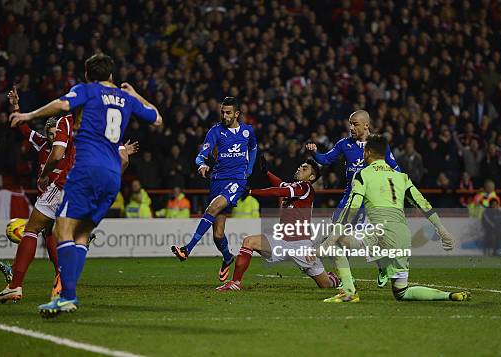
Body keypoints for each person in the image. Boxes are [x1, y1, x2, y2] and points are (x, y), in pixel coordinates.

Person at [10, 54, 162, 317]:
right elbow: (157, 119)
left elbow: (61, 104)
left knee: (62, 230)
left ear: (88, 75)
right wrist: (136, 94)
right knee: (81, 235)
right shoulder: (126, 99)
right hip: (113, 175)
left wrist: (28, 114)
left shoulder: (87, 90)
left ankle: (66, 296)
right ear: (112, 75)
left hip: (87, 170)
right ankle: (67, 296)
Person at [321, 135, 469, 303]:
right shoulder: (402, 177)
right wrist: (442, 229)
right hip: (402, 235)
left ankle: (348, 292)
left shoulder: (363, 175)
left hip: (380, 232)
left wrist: (332, 238)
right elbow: (422, 203)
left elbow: (352, 207)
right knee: (401, 291)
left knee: (337, 243)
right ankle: (448, 295)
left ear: (367, 152)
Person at [0, 86, 76, 303]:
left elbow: (56, 155)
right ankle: (61, 276)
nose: (51, 135)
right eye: (49, 132)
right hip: (75, 189)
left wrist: (45, 175)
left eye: (53, 133)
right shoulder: (43, 143)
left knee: (35, 230)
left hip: (58, 188)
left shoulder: (63, 137)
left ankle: (17, 284)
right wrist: (17, 107)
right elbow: (25, 129)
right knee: (52, 234)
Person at [305, 110, 400, 288]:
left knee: (368, 241)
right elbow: (326, 160)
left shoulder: (379, 145)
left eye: (355, 124)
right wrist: (315, 153)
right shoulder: (344, 144)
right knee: (337, 236)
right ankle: (347, 280)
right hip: (349, 198)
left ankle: (383, 265)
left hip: (370, 202)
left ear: (366, 125)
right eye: (350, 123)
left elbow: (397, 170)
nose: (351, 127)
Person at [217, 159, 340, 291]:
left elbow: (278, 191)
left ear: (312, 177)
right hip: (281, 241)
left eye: (304, 169)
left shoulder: (305, 187)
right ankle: (235, 283)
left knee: (325, 285)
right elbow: (280, 185)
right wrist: (267, 173)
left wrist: (252, 192)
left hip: (300, 244)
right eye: (300, 166)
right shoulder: (294, 187)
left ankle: (333, 279)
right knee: (249, 242)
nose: (299, 169)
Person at [171, 96, 257, 283]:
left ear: (237, 114)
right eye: (222, 112)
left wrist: (248, 171)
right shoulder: (216, 131)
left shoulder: (247, 131)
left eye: (228, 113)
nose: (224, 115)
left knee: (212, 209)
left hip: (236, 181)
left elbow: (254, 148)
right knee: (218, 235)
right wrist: (202, 164)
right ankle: (227, 257)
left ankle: (187, 249)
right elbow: (201, 154)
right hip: (217, 180)